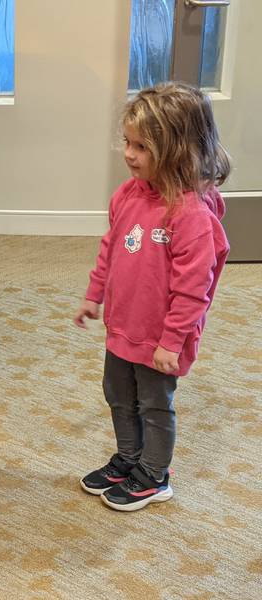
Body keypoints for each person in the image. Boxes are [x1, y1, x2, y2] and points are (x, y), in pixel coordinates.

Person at [74, 82, 231, 512]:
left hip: (161, 340)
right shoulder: (126, 196)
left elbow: (192, 290)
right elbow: (111, 248)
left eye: (141, 146)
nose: (128, 153)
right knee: (118, 396)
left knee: (155, 407)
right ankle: (128, 459)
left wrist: (171, 342)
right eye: (127, 142)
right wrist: (94, 295)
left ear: (178, 150)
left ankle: (155, 474)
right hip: (123, 327)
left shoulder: (191, 216)